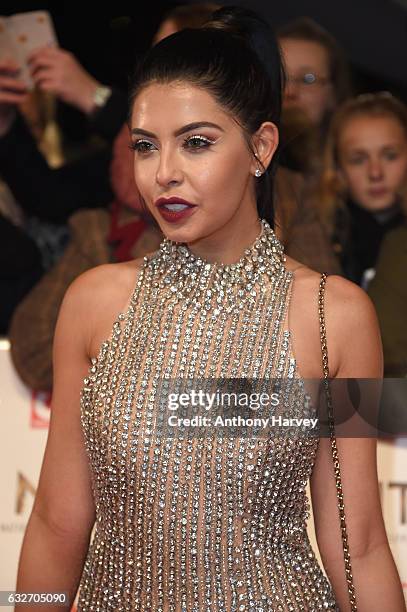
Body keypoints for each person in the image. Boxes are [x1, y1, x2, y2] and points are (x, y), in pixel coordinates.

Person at [15, 7, 405, 611]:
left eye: (196, 143)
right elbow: (54, 526)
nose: (164, 174)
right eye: (146, 146)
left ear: (261, 147)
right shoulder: (92, 303)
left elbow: (362, 548)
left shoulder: (338, 317)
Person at [317, 92, 407, 287]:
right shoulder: (319, 237)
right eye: (358, 159)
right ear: (338, 169)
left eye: (390, 156)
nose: (375, 173)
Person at [277, 17, 351, 174]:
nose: (289, 91)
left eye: (307, 79)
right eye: (280, 76)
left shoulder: (352, 176)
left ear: (333, 93)